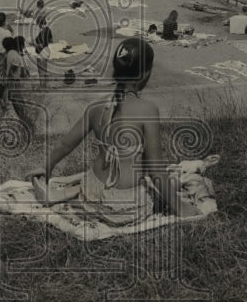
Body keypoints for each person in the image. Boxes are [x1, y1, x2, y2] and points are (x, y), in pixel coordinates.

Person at [24, 38, 184, 221]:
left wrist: (46, 167)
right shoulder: (147, 110)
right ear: (146, 73)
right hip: (124, 205)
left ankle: (68, 196)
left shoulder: (96, 107)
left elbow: (65, 144)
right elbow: (156, 170)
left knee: (91, 182)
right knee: (151, 192)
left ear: (115, 70)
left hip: (91, 193)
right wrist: (181, 207)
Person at [33, 15, 53, 85]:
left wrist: (33, 44)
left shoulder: (42, 32)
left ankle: (42, 85)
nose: (38, 26)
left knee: (40, 69)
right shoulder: (49, 30)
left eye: (38, 24)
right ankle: (45, 85)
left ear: (40, 24)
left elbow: (41, 45)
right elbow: (51, 41)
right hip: (47, 50)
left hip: (41, 51)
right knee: (45, 69)